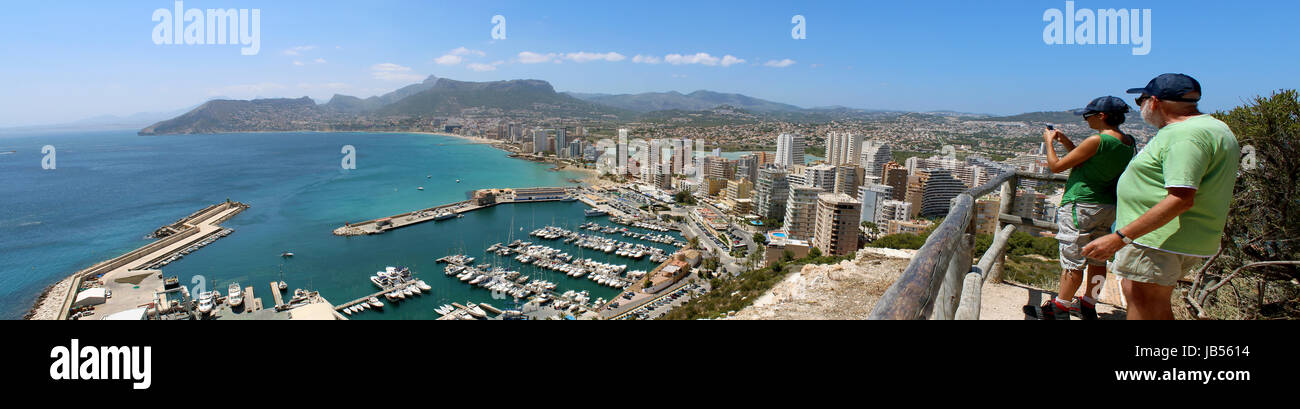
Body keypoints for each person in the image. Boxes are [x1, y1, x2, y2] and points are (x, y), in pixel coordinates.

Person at [1082, 73, 1241, 320]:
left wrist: (1120, 237)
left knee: (1145, 304)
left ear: (1154, 102)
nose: (1141, 108)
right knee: (1147, 301)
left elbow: (1181, 198)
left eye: (1140, 101)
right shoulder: (1216, 128)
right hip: (1178, 237)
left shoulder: (1184, 135)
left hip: (1157, 240)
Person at [1025, 96, 1135, 320]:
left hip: (1081, 205)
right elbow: (1085, 159)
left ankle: (1059, 308)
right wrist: (1064, 141)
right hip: (1107, 206)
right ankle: (1087, 304)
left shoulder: (1097, 140)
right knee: (1098, 259)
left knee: (1072, 259)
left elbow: (1056, 167)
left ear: (1101, 116)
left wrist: (1048, 142)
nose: (1086, 121)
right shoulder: (1128, 142)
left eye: (1088, 116)